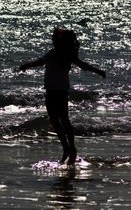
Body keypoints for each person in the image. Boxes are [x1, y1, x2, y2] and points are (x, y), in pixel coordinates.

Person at [19, 27, 106, 165]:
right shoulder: (60, 53)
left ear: (61, 41)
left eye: (55, 39)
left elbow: (41, 62)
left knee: (60, 120)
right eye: (53, 39)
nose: (53, 41)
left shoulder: (60, 54)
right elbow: (82, 66)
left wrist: (26, 65)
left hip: (57, 91)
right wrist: (98, 71)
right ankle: (68, 148)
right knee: (58, 120)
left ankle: (69, 148)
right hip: (55, 90)